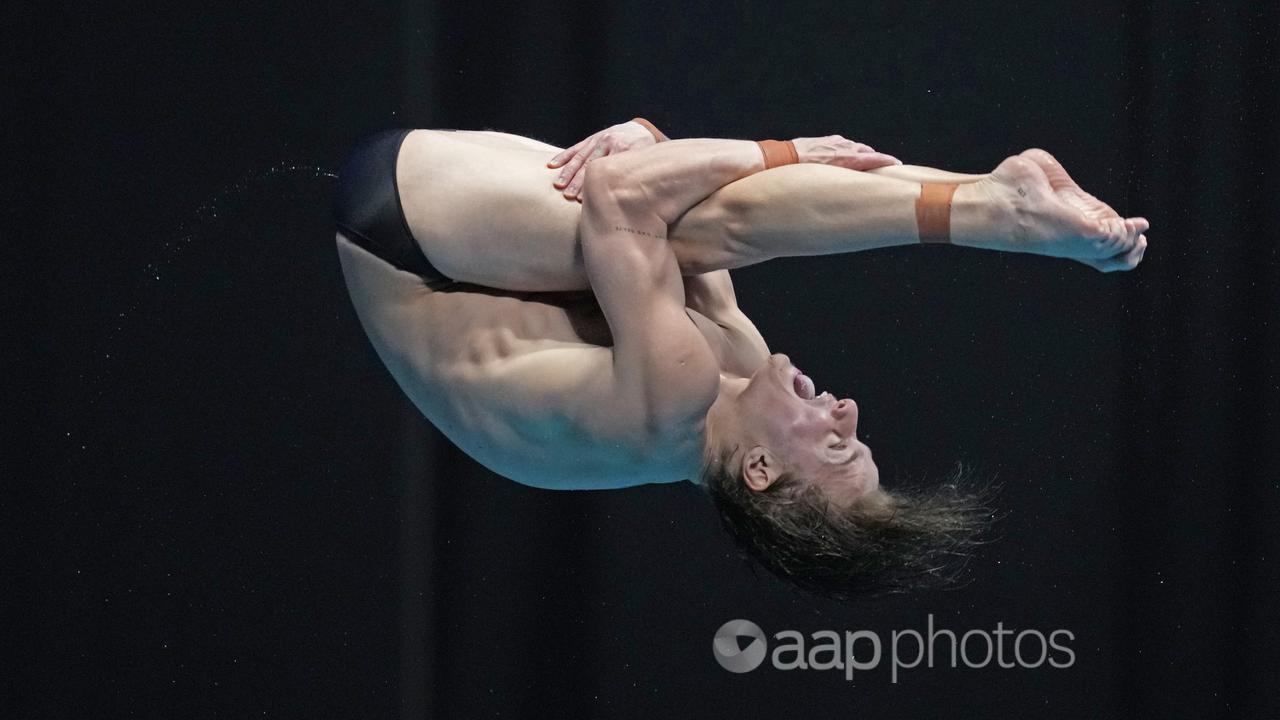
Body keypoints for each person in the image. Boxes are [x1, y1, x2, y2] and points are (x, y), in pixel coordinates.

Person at [333, 119, 1148, 598]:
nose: (847, 410)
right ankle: (996, 200)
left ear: (758, 471)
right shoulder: (732, 367)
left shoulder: (671, 403)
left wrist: (784, 148)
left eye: (837, 444)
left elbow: (628, 195)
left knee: (709, 220)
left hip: (403, 238)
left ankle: (996, 212)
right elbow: (664, 182)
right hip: (481, 256)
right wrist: (652, 139)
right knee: (711, 219)